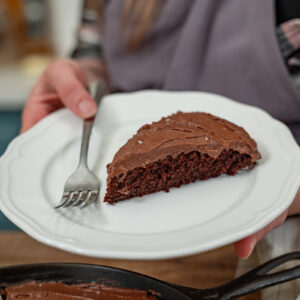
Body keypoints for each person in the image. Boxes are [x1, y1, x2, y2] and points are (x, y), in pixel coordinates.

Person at [21, 0, 300, 259]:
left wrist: (285, 188)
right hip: (120, 247)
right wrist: (80, 82)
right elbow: (94, 53)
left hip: (280, 239)